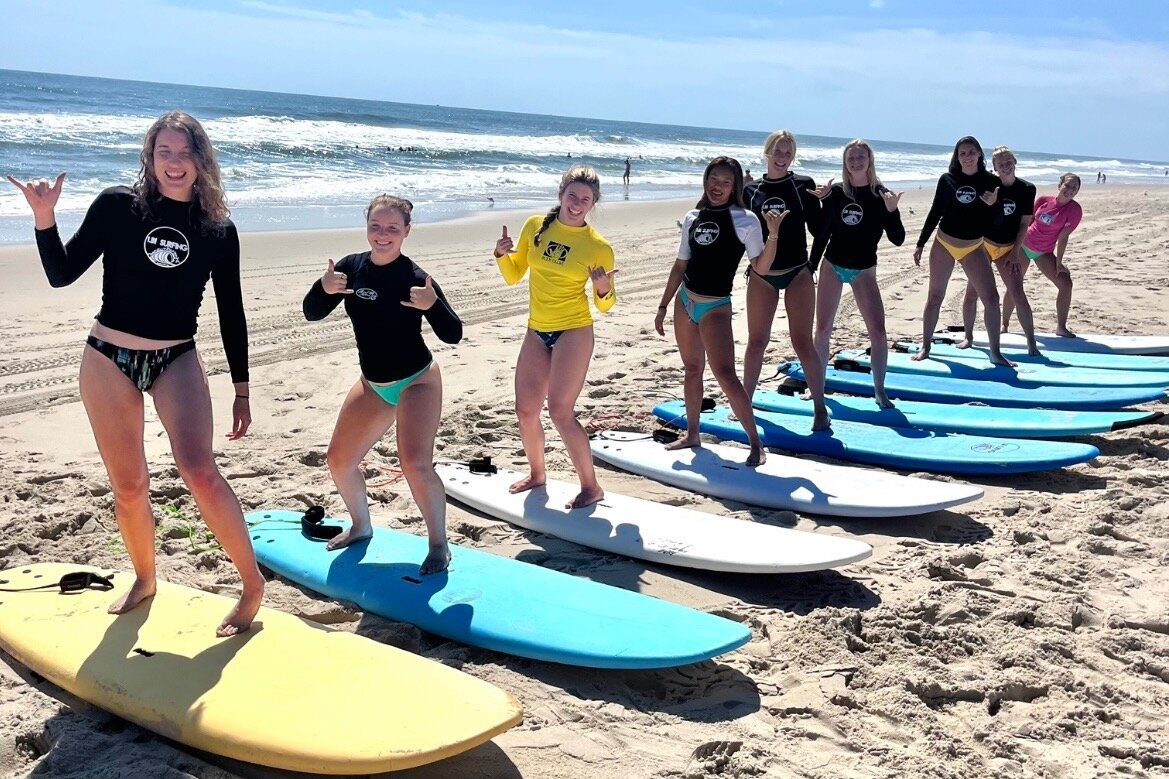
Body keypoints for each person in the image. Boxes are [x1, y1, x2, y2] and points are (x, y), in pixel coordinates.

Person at [6, 111, 263, 637]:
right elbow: (61, 274)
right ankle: (145, 578)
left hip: (176, 357)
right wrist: (43, 219)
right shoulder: (117, 207)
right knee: (129, 485)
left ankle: (252, 584)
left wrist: (241, 387)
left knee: (200, 470)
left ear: (201, 160)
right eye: (163, 152)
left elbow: (231, 311)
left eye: (184, 152)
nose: (174, 163)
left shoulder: (217, 228)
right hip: (107, 358)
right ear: (149, 157)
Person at [302, 195, 462, 573]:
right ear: (367, 227)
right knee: (339, 461)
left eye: (392, 228)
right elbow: (311, 313)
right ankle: (361, 525)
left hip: (416, 381)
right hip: (373, 384)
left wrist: (433, 305)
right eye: (376, 226)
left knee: (414, 463)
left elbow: (453, 333)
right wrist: (322, 288)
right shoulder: (351, 269)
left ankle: (439, 544)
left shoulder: (415, 278)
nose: (383, 234)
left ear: (406, 232)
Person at [493, 165, 617, 508]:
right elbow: (514, 275)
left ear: (593, 204)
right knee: (525, 410)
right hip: (537, 329)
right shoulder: (535, 226)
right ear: (561, 194)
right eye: (572, 196)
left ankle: (591, 486)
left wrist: (603, 289)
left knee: (561, 411)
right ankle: (537, 474)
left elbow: (605, 306)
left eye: (585, 199)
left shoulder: (597, 246)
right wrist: (503, 255)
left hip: (574, 330)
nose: (577, 204)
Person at [654, 156, 774, 465]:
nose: (717, 186)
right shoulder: (693, 216)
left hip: (715, 307)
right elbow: (681, 264)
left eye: (725, 181)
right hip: (685, 301)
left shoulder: (745, 219)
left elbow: (760, 266)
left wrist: (773, 234)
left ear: (735, 186)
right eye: (713, 179)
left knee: (726, 376)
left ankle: (756, 445)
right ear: (705, 180)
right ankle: (693, 433)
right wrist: (663, 305)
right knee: (692, 369)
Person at [742, 130, 828, 430]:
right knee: (756, 342)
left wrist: (824, 204)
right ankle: (745, 403)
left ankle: (820, 407)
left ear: (793, 156)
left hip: (797, 273)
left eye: (788, 152)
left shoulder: (802, 185)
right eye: (777, 151)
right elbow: (739, 235)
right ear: (766, 152)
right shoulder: (750, 192)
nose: (782, 157)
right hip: (763, 276)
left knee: (803, 342)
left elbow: (820, 231)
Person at [809, 140, 905, 409]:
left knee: (878, 331)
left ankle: (879, 391)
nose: (855, 161)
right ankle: (817, 387)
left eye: (861, 156)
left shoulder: (880, 194)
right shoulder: (837, 192)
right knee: (823, 329)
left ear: (869, 160)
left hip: (864, 271)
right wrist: (811, 266)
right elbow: (823, 232)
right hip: (832, 265)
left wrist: (892, 211)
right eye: (851, 157)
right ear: (845, 162)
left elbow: (898, 239)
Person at [911, 135, 1012, 366]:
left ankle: (995, 352)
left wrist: (994, 204)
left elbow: (997, 222)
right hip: (944, 243)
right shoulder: (947, 179)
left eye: (971, 152)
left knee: (991, 297)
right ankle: (925, 346)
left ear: (979, 154)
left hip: (974, 246)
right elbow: (935, 211)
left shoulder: (990, 181)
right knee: (935, 297)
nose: (967, 157)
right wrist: (920, 243)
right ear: (957, 157)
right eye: (962, 153)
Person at [958, 146, 1039, 353]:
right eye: (1000, 164)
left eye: (1008, 162)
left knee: (1018, 294)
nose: (1005, 166)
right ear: (994, 167)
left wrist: (1015, 252)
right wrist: (990, 204)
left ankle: (1032, 344)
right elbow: (972, 213)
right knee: (972, 294)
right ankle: (968, 337)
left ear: (1015, 162)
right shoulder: (988, 185)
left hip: (1007, 249)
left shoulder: (1027, 189)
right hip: (983, 247)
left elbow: (1024, 224)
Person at [1002, 173, 1083, 337]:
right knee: (1014, 286)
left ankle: (1061, 327)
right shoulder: (1043, 200)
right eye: (1067, 185)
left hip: (1044, 252)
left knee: (1066, 284)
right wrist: (1014, 249)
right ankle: (1004, 325)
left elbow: (1063, 237)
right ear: (1059, 184)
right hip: (1023, 247)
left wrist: (1059, 262)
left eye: (1075, 187)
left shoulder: (1075, 210)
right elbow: (1026, 222)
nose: (1070, 190)